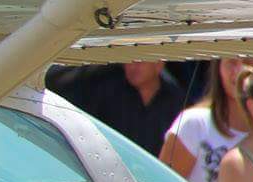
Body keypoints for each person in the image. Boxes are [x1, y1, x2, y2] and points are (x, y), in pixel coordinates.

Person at [160, 56, 253, 182]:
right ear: (218, 68)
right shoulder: (194, 123)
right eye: (232, 62)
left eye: (249, 61)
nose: (240, 70)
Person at [45, 61, 186, 155]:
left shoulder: (175, 100)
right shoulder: (107, 90)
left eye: (140, 61)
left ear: (159, 64)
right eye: (129, 60)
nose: (133, 66)